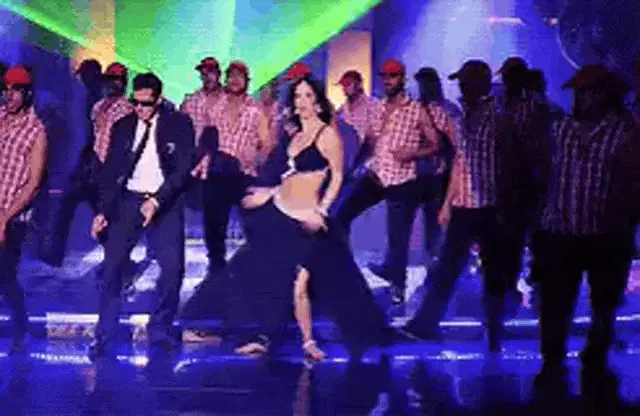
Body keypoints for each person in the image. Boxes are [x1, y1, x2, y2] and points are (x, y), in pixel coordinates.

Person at [214, 74, 390, 360]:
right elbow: (289, 176)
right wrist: (268, 193)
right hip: (283, 214)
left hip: (310, 220)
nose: (303, 102)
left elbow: (336, 176)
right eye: (298, 96)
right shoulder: (294, 136)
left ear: (318, 101)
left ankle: (315, 342)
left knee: (312, 281)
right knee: (270, 275)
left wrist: (322, 210)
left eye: (308, 96)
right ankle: (265, 337)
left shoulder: (327, 135)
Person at [531, 65, 640, 391]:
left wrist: (626, 224)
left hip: (606, 234)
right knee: (554, 303)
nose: (580, 97)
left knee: (604, 304)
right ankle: (552, 360)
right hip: (559, 231)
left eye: (587, 91)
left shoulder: (625, 132)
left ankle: (596, 358)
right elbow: (541, 175)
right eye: (578, 92)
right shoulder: (558, 128)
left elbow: (634, 183)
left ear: (605, 94)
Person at [401, 60, 515, 352]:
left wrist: (506, 204)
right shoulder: (461, 118)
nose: (462, 86)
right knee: (446, 268)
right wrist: (447, 203)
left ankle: (494, 330)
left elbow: (509, 163)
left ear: (481, 83)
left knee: (493, 272)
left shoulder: (499, 117)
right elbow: (460, 163)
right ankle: (425, 325)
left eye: (466, 81)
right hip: (464, 205)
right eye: (461, 82)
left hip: (491, 205)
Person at [89, 72, 196, 359]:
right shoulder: (123, 126)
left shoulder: (179, 124)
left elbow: (182, 170)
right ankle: (104, 335)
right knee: (111, 267)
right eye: (135, 103)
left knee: (173, 269)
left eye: (146, 104)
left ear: (159, 100)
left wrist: (158, 201)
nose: (140, 109)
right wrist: (103, 211)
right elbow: (111, 171)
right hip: (129, 200)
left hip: (165, 200)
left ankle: (160, 330)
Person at [0, 65, 48, 354]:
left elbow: (33, 183)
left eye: (16, 90)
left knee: (4, 275)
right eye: (6, 89)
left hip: (13, 215)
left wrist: (4, 217)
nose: (9, 95)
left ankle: (21, 326)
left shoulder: (36, 131)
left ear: (27, 94)